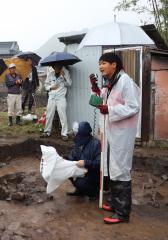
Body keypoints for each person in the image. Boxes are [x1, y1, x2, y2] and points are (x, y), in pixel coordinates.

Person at [90, 52, 140, 224]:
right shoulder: (112, 82)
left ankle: (122, 213)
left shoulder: (125, 81)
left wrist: (110, 110)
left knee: (121, 168)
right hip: (112, 130)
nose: (100, 66)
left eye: (104, 63)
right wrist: (96, 88)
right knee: (112, 166)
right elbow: (103, 99)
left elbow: (134, 107)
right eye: (99, 64)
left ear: (114, 65)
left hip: (123, 133)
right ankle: (115, 202)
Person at [66, 121, 100, 200]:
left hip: (94, 174)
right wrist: (67, 161)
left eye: (75, 133)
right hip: (82, 171)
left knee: (80, 183)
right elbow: (73, 156)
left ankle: (94, 193)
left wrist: (85, 163)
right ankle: (80, 191)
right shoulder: (79, 143)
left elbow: (99, 163)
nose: (74, 135)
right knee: (67, 172)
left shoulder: (96, 144)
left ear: (81, 134)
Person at [41, 64, 72, 140]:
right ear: (53, 67)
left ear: (60, 66)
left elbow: (69, 84)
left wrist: (64, 77)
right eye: (54, 67)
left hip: (61, 98)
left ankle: (64, 134)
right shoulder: (51, 74)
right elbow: (46, 86)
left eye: (58, 66)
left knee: (63, 116)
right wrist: (51, 87)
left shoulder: (66, 72)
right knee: (49, 115)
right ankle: (47, 132)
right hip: (52, 97)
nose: (56, 68)